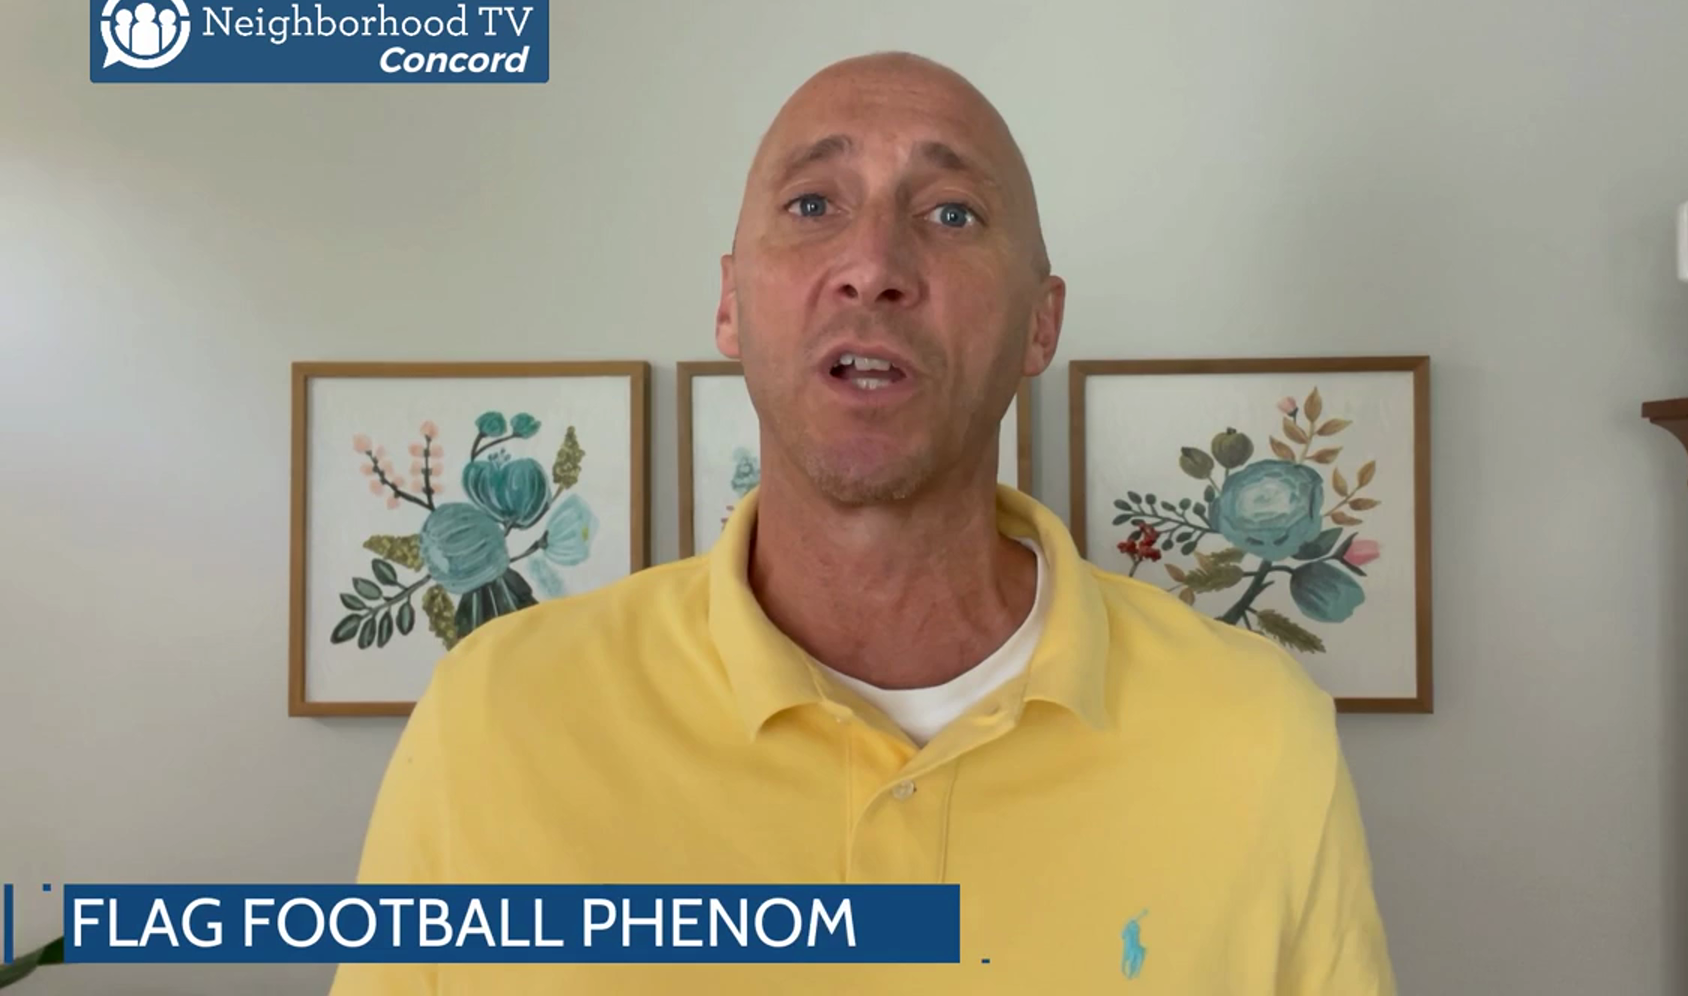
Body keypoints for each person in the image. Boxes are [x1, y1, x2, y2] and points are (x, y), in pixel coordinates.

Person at [333, 51, 1396, 994]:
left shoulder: (1258, 736)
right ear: (731, 306)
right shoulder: (499, 717)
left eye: (951, 214)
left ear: (1042, 324)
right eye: (812, 205)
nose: (875, 266)